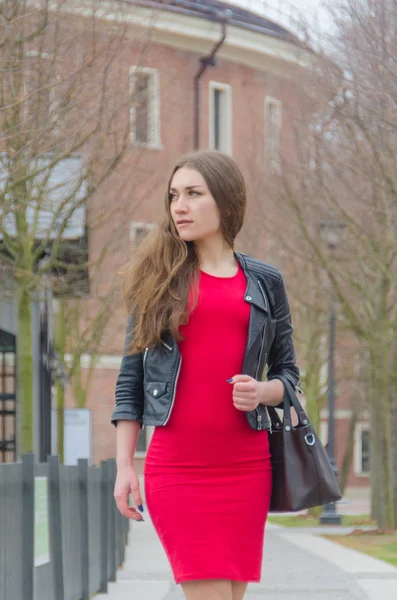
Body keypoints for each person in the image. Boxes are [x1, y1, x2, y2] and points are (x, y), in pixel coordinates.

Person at [111, 150, 299, 600]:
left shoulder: (265, 281)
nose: (179, 206)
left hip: (248, 467)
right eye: (174, 195)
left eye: (194, 194)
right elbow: (129, 382)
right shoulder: (157, 278)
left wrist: (263, 391)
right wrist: (123, 466)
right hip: (177, 468)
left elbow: (289, 374)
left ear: (227, 203)